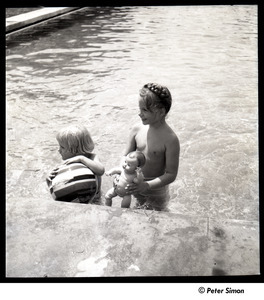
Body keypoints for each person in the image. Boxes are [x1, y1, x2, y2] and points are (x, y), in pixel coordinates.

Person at [122, 83, 180, 211]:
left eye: (145, 110)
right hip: (134, 184)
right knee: (136, 210)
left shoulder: (170, 139)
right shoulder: (136, 130)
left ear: (161, 112)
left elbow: (171, 174)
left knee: (157, 216)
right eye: (140, 109)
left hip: (155, 190)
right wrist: (122, 172)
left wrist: (147, 185)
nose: (139, 114)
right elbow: (125, 156)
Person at [46, 125, 105, 204]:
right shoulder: (68, 164)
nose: (58, 150)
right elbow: (57, 184)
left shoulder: (91, 158)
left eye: (62, 147)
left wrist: (81, 159)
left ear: (76, 150)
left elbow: (101, 171)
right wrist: (49, 178)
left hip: (94, 199)